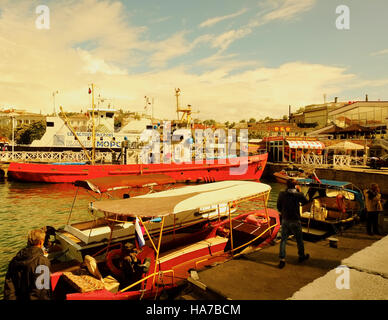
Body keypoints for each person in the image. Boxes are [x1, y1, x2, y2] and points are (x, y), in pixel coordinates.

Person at [3, 229, 52, 300]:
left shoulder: (15, 260)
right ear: (41, 242)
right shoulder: (42, 262)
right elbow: (41, 292)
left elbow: (9, 288)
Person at [277, 179, 310, 269]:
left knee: (283, 240)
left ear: (286, 185)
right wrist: (299, 191)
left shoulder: (282, 194)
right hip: (295, 219)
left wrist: (283, 212)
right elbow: (306, 202)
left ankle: (282, 259)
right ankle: (301, 256)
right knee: (299, 239)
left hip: (285, 219)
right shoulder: (298, 195)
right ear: (295, 186)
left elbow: (278, 206)